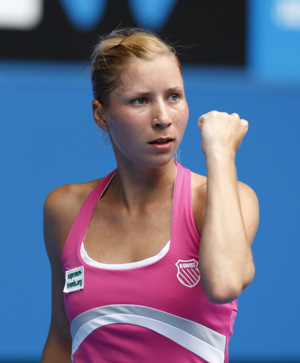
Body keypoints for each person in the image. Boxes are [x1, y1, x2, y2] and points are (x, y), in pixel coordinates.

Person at [41, 28, 259, 363]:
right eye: (140, 100)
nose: (163, 118)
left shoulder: (221, 200)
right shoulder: (64, 208)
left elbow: (225, 284)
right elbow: (60, 340)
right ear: (101, 114)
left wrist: (220, 154)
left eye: (174, 96)